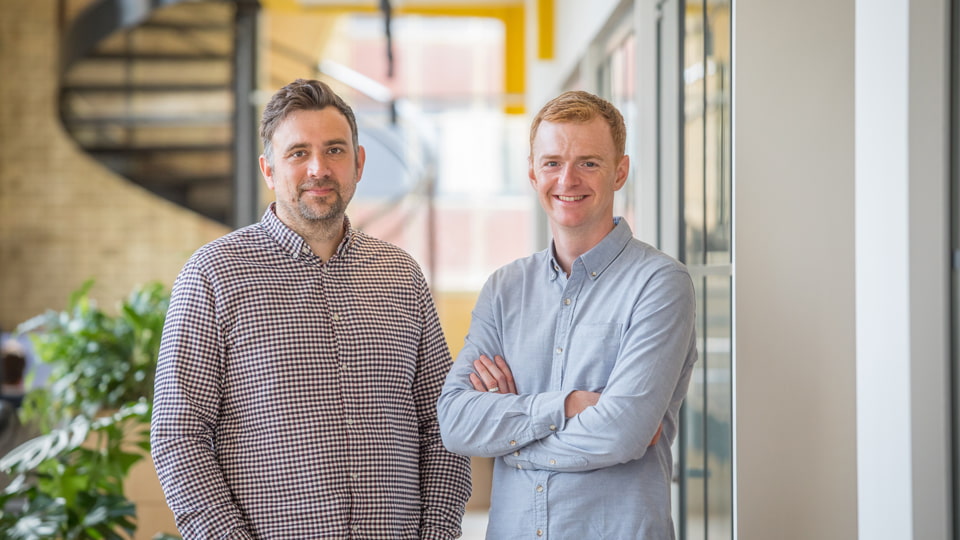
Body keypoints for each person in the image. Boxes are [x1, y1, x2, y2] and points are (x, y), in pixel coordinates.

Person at [151, 78, 471, 539]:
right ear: (268, 170)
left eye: (335, 150)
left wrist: (437, 533)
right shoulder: (213, 276)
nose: (318, 168)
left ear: (359, 163)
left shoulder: (402, 277)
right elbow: (179, 436)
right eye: (298, 153)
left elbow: (441, 423)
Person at [437, 90, 698, 539]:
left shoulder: (660, 284)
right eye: (553, 162)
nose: (568, 179)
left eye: (589, 163)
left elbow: (622, 433)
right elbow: (457, 423)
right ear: (533, 173)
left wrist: (511, 442)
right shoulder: (505, 289)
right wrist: (570, 406)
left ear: (620, 172)